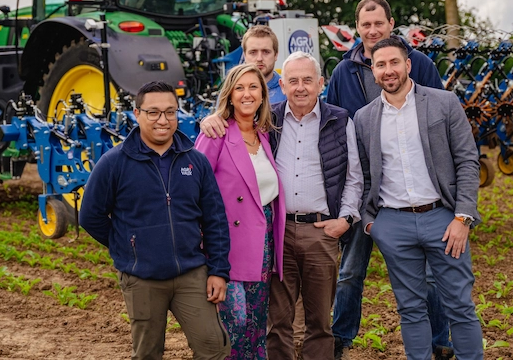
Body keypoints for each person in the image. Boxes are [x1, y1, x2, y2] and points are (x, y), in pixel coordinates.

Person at [202, 51, 363, 359]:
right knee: (277, 319)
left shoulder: (340, 120)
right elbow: (232, 127)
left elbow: (354, 177)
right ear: (281, 85)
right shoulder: (269, 120)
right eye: (293, 81)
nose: (300, 87)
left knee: (319, 320)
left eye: (307, 80)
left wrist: (345, 219)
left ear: (320, 83)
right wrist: (213, 117)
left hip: (320, 230)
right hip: (276, 233)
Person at [326, 0, 451, 360]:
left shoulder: (421, 64)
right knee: (350, 271)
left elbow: (441, 116)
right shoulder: (342, 72)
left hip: (411, 185)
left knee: (428, 275)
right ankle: (340, 338)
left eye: (378, 23)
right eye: (365, 25)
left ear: (391, 24)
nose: (372, 30)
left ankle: (439, 342)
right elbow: (333, 125)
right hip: (361, 186)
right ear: (357, 28)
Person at [79, 81, 231, 360]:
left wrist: (219, 270)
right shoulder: (114, 163)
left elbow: (215, 219)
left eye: (170, 112)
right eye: (154, 112)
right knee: (147, 353)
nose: (163, 120)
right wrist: (129, 246)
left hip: (191, 274)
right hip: (142, 277)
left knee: (214, 348)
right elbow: (90, 216)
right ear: (137, 115)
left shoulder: (195, 161)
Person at [355, 38, 483, 360]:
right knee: (410, 309)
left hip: (444, 220)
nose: (388, 70)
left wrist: (463, 217)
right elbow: (365, 176)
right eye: (381, 64)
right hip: (393, 223)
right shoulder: (364, 118)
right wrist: (373, 224)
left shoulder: (444, 103)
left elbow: (468, 161)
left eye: (394, 62)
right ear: (373, 70)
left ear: (408, 64)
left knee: (460, 305)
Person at [195, 63, 286, 359]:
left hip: (262, 240)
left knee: (257, 325)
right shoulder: (216, 133)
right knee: (234, 322)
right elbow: (194, 189)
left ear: (262, 95)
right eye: (240, 88)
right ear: (230, 96)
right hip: (226, 244)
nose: (247, 94)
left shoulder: (264, 136)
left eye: (253, 87)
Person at [241, 26, 286, 103]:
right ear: (245, 56)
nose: (259, 58)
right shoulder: (231, 91)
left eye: (266, 52)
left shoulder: (288, 91)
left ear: (276, 55)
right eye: (253, 52)